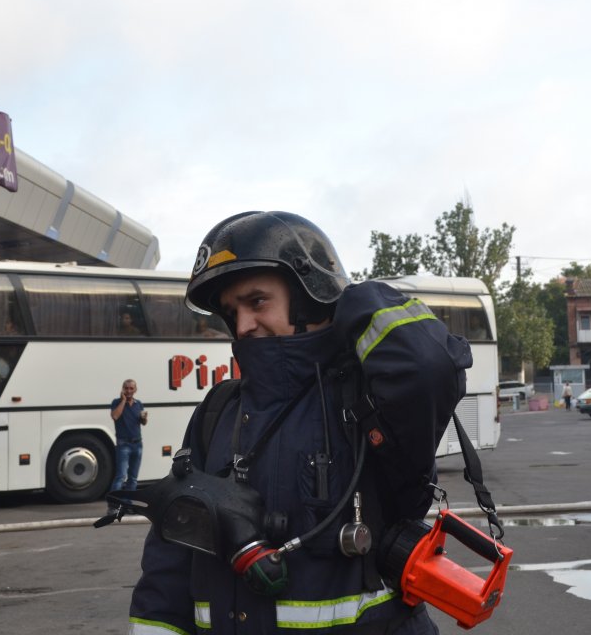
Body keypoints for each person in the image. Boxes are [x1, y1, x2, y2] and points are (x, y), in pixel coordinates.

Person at [126, 211, 473, 634]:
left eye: (257, 302)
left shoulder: (367, 400)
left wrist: (347, 300)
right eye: (231, 311)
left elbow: (428, 366)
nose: (243, 325)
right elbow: (174, 547)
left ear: (310, 297)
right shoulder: (217, 410)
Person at [109, 379, 147, 513]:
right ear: (122, 389)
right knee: (120, 476)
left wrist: (144, 418)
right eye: (126, 388)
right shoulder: (116, 402)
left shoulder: (139, 404)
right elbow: (115, 416)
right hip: (123, 444)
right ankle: (113, 506)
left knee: (133, 478)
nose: (129, 391)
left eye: (131, 388)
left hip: (137, 444)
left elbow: (143, 423)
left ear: (135, 390)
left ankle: (128, 505)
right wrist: (123, 401)